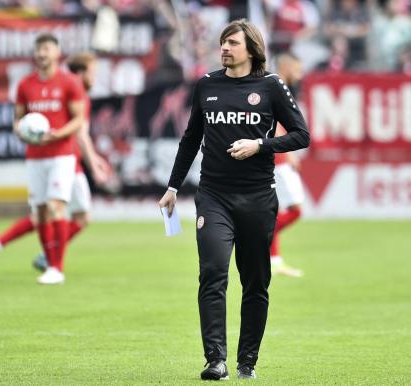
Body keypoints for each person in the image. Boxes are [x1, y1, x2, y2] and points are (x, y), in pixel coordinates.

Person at [158, 19, 310, 380]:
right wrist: (173, 187)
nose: (224, 48)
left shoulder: (272, 86)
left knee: (255, 282)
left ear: (252, 49)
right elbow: (191, 139)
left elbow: (302, 135)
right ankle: (215, 359)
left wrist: (261, 145)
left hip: (258, 198)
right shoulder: (207, 85)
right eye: (223, 42)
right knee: (212, 274)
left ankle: (247, 362)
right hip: (213, 197)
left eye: (232, 43)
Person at [0, 52, 110, 275]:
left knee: (47, 214)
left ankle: (1, 244)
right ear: (80, 73)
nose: (94, 78)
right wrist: (94, 164)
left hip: (67, 161)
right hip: (68, 163)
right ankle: (50, 256)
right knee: (75, 215)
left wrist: (95, 159)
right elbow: (81, 135)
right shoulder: (76, 94)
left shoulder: (71, 91)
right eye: (92, 73)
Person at [270, 53, 305, 277]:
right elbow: (272, 121)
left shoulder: (278, 86)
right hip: (278, 158)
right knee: (295, 210)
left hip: (276, 157)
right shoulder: (275, 86)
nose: (299, 75)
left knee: (279, 210)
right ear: (286, 66)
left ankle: (274, 261)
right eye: (297, 69)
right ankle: (258, 237)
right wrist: (289, 151)